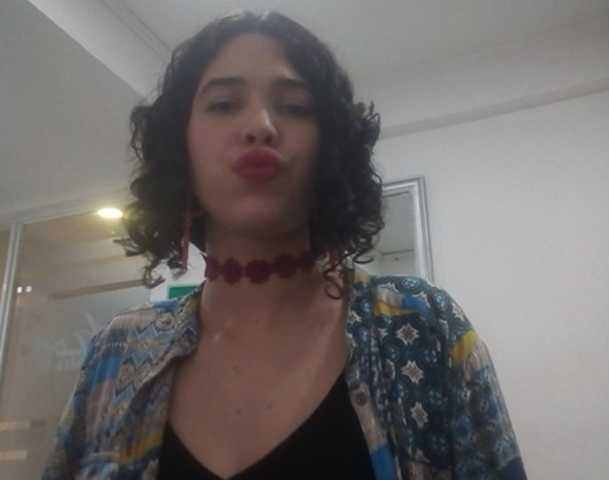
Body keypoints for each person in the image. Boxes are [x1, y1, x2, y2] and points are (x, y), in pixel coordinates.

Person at [42, 10, 526, 480]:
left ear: (331, 148)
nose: (260, 125)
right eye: (224, 104)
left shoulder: (424, 328)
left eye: (295, 107)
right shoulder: (115, 352)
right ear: (180, 147)